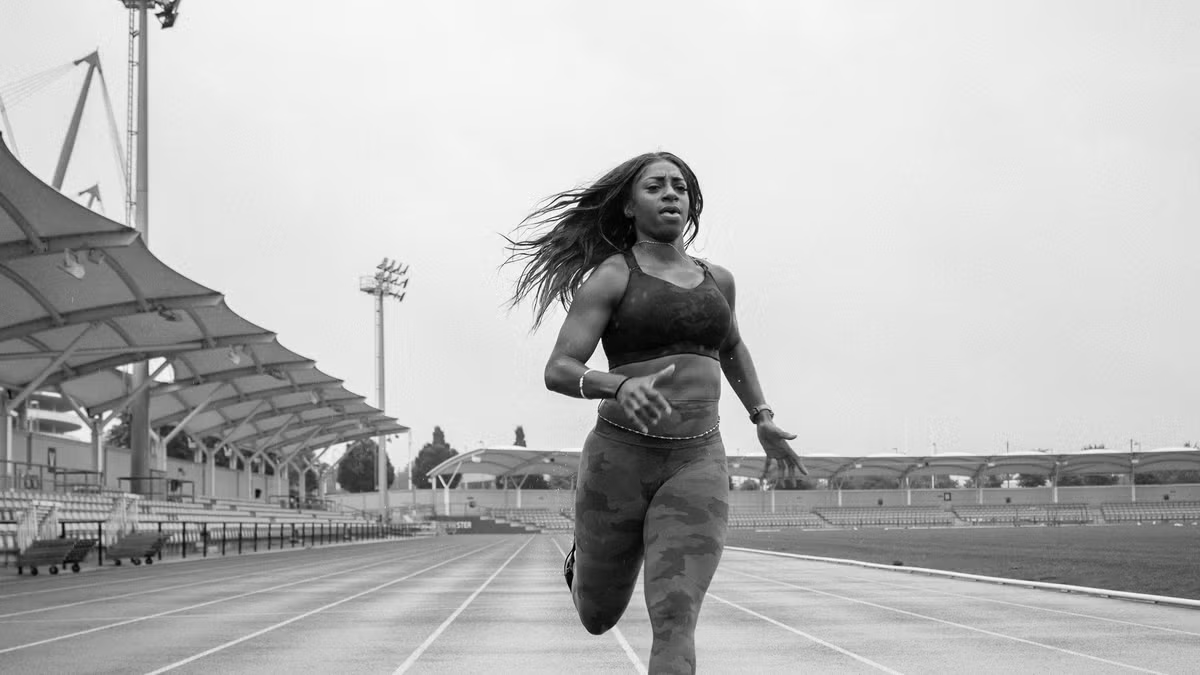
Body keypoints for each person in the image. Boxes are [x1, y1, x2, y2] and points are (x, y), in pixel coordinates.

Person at [505, 151, 806, 674]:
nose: (671, 193)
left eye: (680, 187)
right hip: (619, 459)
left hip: (697, 461)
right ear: (628, 206)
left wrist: (761, 416)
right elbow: (559, 369)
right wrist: (616, 384)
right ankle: (584, 566)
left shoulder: (720, 281)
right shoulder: (612, 276)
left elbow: (732, 347)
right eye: (655, 186)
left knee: (675, 613)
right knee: (598, 615)